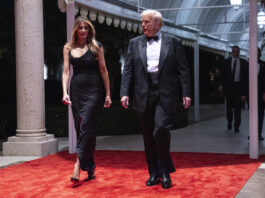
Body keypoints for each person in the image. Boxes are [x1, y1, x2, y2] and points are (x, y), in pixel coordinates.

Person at [120, 9, 191, 189]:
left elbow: (183, 70)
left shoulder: (173, 43)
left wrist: (186, 93)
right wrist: (124, 92)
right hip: (143, 94)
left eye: (146, 22)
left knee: (160, 131)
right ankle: (154, 173)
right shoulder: (134, 43)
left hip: (166, 94)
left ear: (157, 24)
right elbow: (128, 69)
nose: (142, 25)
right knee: (148, 137)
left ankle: (166, 172)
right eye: (142, 22)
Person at [62, 16, 112, 183]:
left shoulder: (96, 47)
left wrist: (108, 94)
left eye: (86, 28)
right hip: (76, 90)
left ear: (90, 30)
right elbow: (66, 72)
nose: (83, 30)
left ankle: (78, 165)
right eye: (81, 27)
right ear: (76, 29)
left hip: (94, 91)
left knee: (86, 126)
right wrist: (64, 92)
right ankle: (90, 165)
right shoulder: (68, 47)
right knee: (81, 128)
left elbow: (104, 71)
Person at [219, 46, 248, 133]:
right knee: (229, 107)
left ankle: (236, 126)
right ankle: (229, 122)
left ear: (239, 52)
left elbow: (246, 78)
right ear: (232, 52)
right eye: (234, 51)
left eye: (237, 51)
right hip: (229, 88)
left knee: (237, 108)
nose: (236, 53)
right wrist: (221, 85)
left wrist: (244, 92)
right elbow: (222, 74)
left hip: (238, 87)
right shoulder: (226, 62)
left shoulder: (243, 63)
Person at [257, 48, 265, 140]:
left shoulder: (264, 64)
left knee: (260, 113)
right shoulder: (248, 64)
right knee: (252, 114)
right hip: (251, 93)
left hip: (261, 93)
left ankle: (258, 133)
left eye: (258, 52)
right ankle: (252, 133)